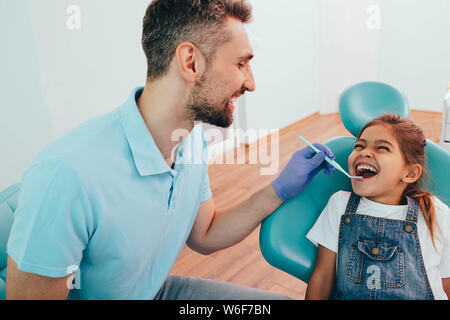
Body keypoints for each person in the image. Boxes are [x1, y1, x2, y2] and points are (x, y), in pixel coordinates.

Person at [5, 0, 335, 300]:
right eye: (241, 64)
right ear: (190, 61)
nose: (250, 83)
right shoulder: (68, 175)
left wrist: (278, 190)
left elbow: (205, 233)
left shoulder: (189, 140)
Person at [305, 113, 450, 300]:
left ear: (410, 173)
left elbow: (446, 283)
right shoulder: (339, 204)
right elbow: (322, 277)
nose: (364, 152)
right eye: (359, 146)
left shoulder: (435, 211)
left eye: (382, 148)